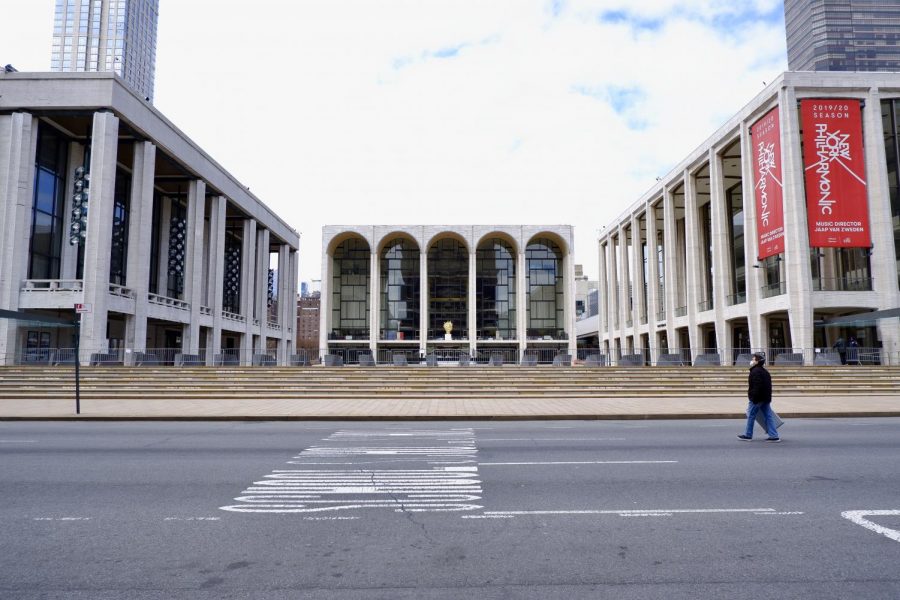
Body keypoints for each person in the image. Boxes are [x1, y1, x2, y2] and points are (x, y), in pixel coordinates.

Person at [738, 352, 780, 442]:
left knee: (751, 415)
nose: (752, 360)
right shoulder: (765, 371)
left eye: (753, 359)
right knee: (768, 416)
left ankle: (748, 435)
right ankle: (774, 436)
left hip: (758, 398)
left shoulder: (755, 371)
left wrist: (753, 398)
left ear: (757, 361)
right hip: (765, 398)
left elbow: (757, 386)